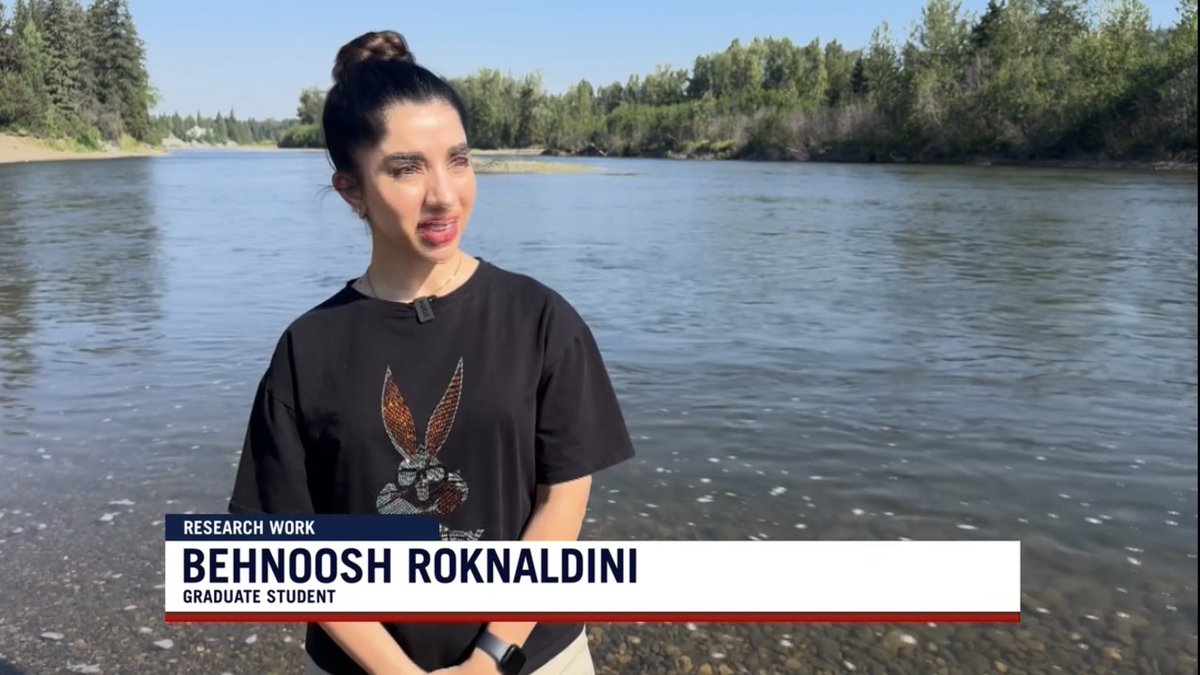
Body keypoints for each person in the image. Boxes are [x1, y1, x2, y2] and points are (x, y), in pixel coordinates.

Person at [227, 30, 636, 675]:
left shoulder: (539, 319)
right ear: (349, 188)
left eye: (458, 160)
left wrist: (491, 655)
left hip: (532, 657)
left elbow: (563, 500)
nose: (444, 194)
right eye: (405, 168)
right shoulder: (308, 350)